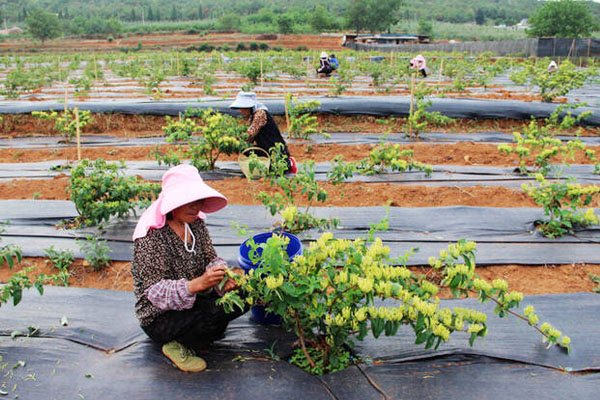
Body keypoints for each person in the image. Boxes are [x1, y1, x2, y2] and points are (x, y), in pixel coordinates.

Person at [131, 164, 246, 372]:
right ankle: (174, 342)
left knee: (243, 297)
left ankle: (197, 334)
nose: (195, 207)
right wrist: (196, 284)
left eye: (198, 201)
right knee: (213, 315)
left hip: (196, 299)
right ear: (172, 202)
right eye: (188, 202)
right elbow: (154, 292)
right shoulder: (151, 237)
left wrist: (222, 277)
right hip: (161, 316)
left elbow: (212, 257)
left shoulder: (195, 224)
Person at [229, 91, 297, 174]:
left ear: (248, 107)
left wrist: (234, 140)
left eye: (242, 108)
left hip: (274, 148)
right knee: (246, 148)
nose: (241, 111)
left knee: (278, 170)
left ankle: (289, 163)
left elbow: (250, 134)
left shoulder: (260, 114)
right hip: (264, 147)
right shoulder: (253, 115)